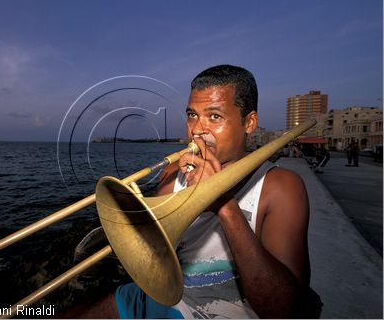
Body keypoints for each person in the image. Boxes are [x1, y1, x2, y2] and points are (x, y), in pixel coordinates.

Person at [64, 64, 318, 318]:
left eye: (214, 116)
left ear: (249, 122)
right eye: (192, 115)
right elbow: (154, 255)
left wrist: (224, 204)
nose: (196, 130)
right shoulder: (171, 174)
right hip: (161, 298)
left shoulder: (282, 187)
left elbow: (288, 311)